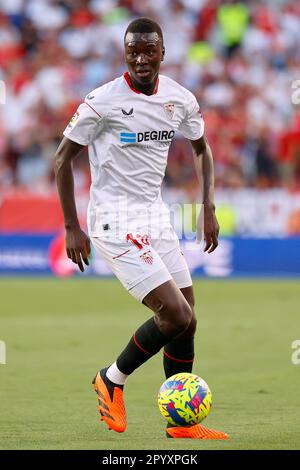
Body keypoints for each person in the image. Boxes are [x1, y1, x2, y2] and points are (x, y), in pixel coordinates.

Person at [54, 17, 227, 440]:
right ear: (124, 54)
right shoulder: (102, 101)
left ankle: (181, 424)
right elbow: (61, 161)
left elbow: (202, 149)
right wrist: (71, 227)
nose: (141, 58)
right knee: (174, 314)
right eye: (133, 51)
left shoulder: (179, 99)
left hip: (155, 216)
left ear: (163, 53)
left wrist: (207, 206)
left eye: (149, 50)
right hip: (114, 220)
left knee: (188, 321)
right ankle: (110, 379)